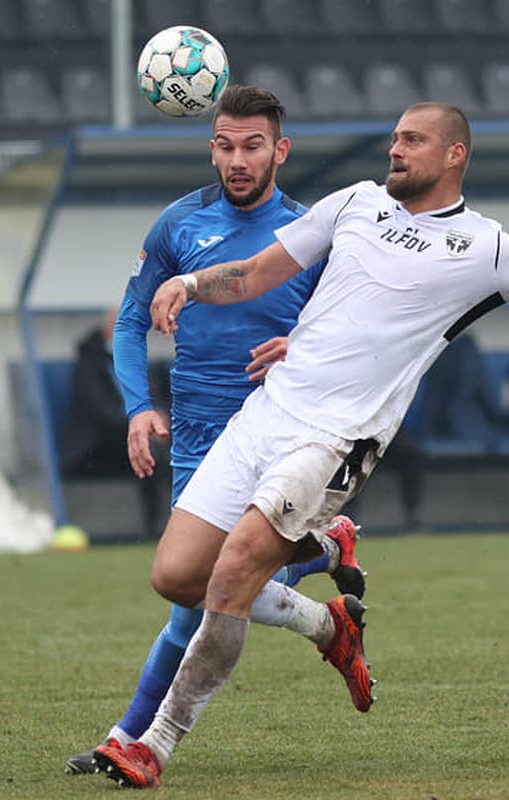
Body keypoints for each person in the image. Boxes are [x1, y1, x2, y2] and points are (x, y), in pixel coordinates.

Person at [89, 101, 509, 788]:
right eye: (395, 138)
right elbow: (256, 273)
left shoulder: (487, 247)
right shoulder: (353, 203)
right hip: (265, 413)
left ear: (454, 155)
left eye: (412, 140)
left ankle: (155, 743)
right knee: (175, 577)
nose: (396, 150)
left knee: (230, 577)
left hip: (335, 438)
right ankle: (325, 569)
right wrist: (190, 282)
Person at [65, 86, 365, 775]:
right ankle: (322, 565)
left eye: (252, 145)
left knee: (199, 596)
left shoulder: (307, 235)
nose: (238, 159)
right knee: (192, 589)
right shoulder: (178, 225)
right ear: (211, 147)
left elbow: (351, 332)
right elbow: (130, 320)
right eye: (225, 145)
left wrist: (300, 345)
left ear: (279, 150)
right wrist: (140, 404)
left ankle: (126, 738)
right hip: (200, 437)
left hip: (283, 429)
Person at [58, 307, 169, 535]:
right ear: (111, 328)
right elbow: (100, 411)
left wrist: (157, 418)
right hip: (95, 444)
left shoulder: (136, 358)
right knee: (148, 447)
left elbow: (153, 396)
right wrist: (137, 424)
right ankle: (157, 524)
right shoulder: (90, 362)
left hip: (130, 435)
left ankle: (185, 518)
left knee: (172, 442)